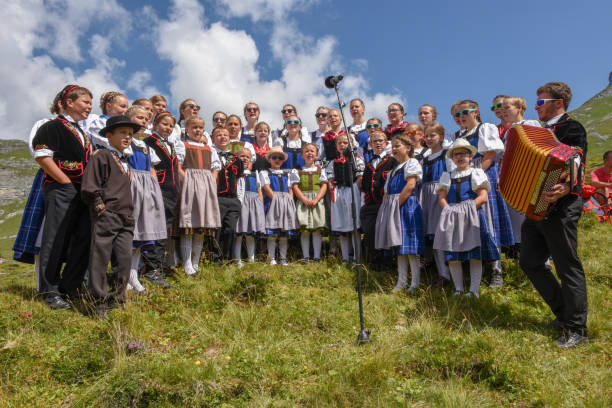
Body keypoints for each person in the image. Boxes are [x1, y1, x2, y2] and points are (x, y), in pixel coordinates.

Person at [520, 81, 588, 348]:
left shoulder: (571, 128)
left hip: (561, 205)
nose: (536, 106)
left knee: (567, 264)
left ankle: (577, 329)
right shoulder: (538, 131)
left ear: (558, 103)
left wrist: (564, 186)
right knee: (529, 261)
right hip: (536, 207)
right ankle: (564, 314)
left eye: (540, 102)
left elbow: (576, 159)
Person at [32, 85, 94, 309]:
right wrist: (65, 181)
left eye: (90, 102)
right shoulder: (52, 126)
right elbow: (42, 156)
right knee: (55, 237)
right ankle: (49, 290)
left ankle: (70, 286)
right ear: (69, 102)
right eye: (85, 101)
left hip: (82, 192)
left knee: (82, 237)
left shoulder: (82, 132)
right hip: (62, 189)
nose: (89, 106)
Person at [81, 115, 139, 316]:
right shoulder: (101, 155)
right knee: (100, 257)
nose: (127, 137)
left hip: (126, 217)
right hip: (108, 215)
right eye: (122, 132)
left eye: (130, 134)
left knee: (124, 259)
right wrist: (100, 208)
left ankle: (118, 299)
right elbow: (90, 186)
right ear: (109, 135)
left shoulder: (126, 160)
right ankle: (98, 302)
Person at [455, 99, 513, 288]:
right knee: (473, 223)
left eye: (465, 112)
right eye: (457, 114)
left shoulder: (485, 128)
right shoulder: (459, 135)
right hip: (465, 179)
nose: (461, 117)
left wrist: (474, 175)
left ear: (476, 112)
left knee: (489, 222)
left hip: (483, 176)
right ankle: (478, 269)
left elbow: (490, 155)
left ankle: (497, 270)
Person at [434, 138, 499, 298]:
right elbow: (442, 197)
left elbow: (483, 196)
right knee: (452, 253)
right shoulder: (447, 175)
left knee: (474, 253)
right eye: (456, 154)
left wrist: (467, 209)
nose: (460, 157)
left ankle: (474, 290)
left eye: (463, 153)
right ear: (452, 158)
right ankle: (458, 289)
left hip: (472, 215)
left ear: (470, 156)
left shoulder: (476, 172)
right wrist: (449, 210)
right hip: (452, 216)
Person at [13, 91, 64, 286]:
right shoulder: (45, 124)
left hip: (72, 178)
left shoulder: (78, 129)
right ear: (61, 103)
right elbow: (37, 150)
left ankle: (57, 279)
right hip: (49, 175)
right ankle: (41, 282)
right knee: (43, 228)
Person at [375, 134, 424, 293]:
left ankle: (415, 283)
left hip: (406, 205)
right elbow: (386, 192)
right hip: (393, 206)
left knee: (411, 245)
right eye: (393, 146)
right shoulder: (393, 170)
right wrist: (386, 208)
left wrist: (396, 205)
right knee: (400, 245)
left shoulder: (412, 163)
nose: (394, 149)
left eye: (398, 146)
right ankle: (401, 281)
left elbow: (410, 186)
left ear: (408, 148)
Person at [125, 105, 167, 293]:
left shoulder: (145, 147)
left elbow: (152, 169)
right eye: (139, 118)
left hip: (146, 190)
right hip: (131, 188)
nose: (143, 121)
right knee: (129, 234)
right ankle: (124, 276)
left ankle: (133, 276)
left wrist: (153, 188)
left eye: (145, 119)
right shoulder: (125, 142)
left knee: (141, 234)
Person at [178, 116, 222, 275]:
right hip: (189, 186)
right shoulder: (183, 145)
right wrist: (188, 180)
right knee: (189, 223)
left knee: (202, 224)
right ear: (187, 130)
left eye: (200, 127)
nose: (197, 130)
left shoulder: (210, 149)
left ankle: (196, 262)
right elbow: (177, 165)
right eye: (194, 127)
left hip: (206, 187)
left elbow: (216, 167)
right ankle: (187, 263)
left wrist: (212, 179)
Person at [144, 111, 183, 287]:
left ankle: (156, 267)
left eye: (171, 126)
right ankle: (151, 269)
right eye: (164, 124)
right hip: (159, 190)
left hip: (172, 192)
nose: (168, 128)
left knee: (165, 231)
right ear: (155, 124)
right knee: (157, 231)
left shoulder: (171, 145)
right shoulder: (149, 142)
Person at [500, 96, 541, 258]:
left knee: (532, 219)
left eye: (507, 107)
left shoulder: (532, 124)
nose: (503, 111)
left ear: (520, 108)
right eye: (502, 109)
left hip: (531, 177)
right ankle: (522, 259)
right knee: (517, 222)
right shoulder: (508, 132)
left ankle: (540, 259)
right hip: (515, 179)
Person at [420, 123, 454, 286]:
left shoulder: (446, 154)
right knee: (433, 235)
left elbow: (452, 175)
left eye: (432, 135)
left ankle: (450, 273)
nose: (429, 139)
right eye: (426, 136)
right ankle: (442, 273)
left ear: (441, 136)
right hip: (427, 196)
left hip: (441, 194)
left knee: (443, 234)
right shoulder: (425, 159)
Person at [359, 130, 398, 264]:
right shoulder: (369, 164)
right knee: (370, 233)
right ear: (370, 144)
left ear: (386, 143)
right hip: (371, 205)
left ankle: (387, 261)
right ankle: (372, 261)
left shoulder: (392, 161)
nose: (378, 143)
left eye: (380, 140)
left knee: (385, 233)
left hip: (385, 203)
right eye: (374, 141)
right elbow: (364, 185)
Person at [326, 133, 364, 263]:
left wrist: (354, 189)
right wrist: (332, 186)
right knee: (341, 224)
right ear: (336, 146)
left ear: (351, 145)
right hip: (339, 192)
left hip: (351, 191)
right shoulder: (333, 162)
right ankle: (345, 257)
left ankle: (357, 257)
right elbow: (330, 178)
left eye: (345, 143)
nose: (342, 145)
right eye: (340, 143)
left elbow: (360, 178)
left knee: (354, 224)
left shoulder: (356, 160)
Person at [261, 146, 299, 265]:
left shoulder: (287, 173)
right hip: (272, 202)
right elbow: (266, 187)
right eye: (274, 157)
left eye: (280, 158)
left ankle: (283, 258)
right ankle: (272, 258)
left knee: (284, 235)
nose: (277, 160)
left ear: (283, 160)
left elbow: (290, 188)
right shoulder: (265, 172)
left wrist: (289, 199)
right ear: (269, 159)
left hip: (286, 202)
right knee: (272, 233)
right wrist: (276, 199)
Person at [211, 126, 244, 263]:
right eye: (218, 135)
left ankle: (228, 257)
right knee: (216, 228)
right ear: (213, 139)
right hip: (217, 197)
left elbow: (239, 181)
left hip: (232, 199)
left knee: (231, 228)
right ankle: (215, 258)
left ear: (229, 139)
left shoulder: (236, 159)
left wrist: (239, 200)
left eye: (225, 134)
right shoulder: (211, 154)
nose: (223, 137)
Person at [291, 143, 328, 262]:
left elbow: (324, 186)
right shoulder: (297, 171)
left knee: (317, 229)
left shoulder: (321, 170)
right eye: (306, 151)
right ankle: (306, 257)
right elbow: (295, 187)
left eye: (312, 151)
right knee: (305, 229)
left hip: (317, 200)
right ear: (302, 155)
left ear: (316, 155)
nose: (309, 153)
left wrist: (316, 199)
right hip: (303, 201)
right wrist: (304, 200)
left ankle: (316, 256)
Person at [233, 148, 265, 266]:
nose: (245, 158)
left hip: (254, 203)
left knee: (251, 233)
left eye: (247, 157)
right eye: (242, 156)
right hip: (241, 203)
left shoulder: (254, 174)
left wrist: (260, 205)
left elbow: (259, 190)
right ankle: (238, 259)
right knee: (240, 232)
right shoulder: (235, 173)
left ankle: (251, 259)